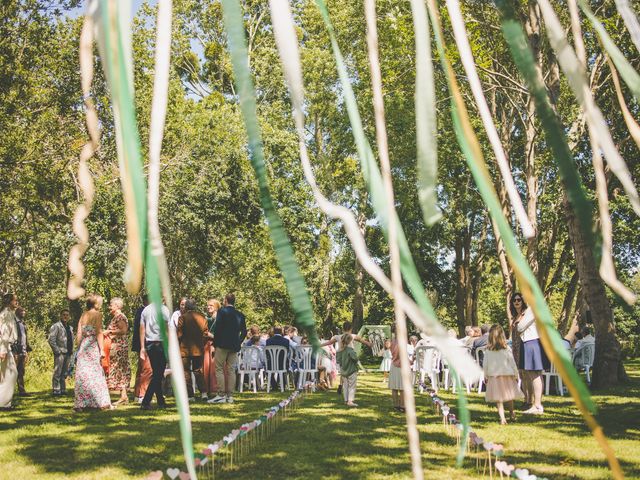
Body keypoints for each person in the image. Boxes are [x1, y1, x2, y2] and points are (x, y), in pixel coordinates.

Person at [74, 295, 113, 411]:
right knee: (96, 373)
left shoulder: (83, 315)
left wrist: (78, 347)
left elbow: (79, 333)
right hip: (92, 345)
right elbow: (99, 332)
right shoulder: (97, 315)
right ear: (95, 304)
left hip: (83, 346)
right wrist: (101, 350)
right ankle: (100, 402)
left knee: (83, 374)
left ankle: (81, 404)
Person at [208, 293, 246, 404]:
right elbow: (244, 331)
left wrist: (215, 343)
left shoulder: (222, 312)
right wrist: (238, 341)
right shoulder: (240, 314)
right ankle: (230, 396)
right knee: (231, 370)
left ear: (225, 300)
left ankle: (221, 394)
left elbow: (218, 329)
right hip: (234, 345)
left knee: (219, 368)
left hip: (222, 344)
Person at [512, 292, 546, 415]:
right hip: (529, 342)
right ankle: (536, 404)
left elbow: (520, 327)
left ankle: (537, 405)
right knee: (534, 374)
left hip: (531, 342)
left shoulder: (532, 309)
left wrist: (519, 321)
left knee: (534, 374)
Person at [484, 324, 523, 424]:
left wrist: (485, 375)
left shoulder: (488, 350)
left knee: (499, 399)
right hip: (507, 375)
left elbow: (485, 364)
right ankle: (512, 413)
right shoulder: (506, 349)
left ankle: (502, 418)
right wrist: (516, 373)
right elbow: (512, 362)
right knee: (509, 397)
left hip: (494, 376)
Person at [139, 300, 171, 410]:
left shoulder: (146, 310)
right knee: (158, 374)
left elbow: (142, 329)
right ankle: (146, 401)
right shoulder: (164, 309)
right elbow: (167, 329)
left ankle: (161, 401)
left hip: (149, 343)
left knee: (157, 372)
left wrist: (142, 347)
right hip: (160, 343)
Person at [177, 298, 209, 400]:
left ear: (186, 307)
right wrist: (201, 344)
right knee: (198, 370)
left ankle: (190, 395)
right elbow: (205, 333)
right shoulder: (202, 317)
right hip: (198, 349)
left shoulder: (183, 318)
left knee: (186, 372)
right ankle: (204, 393)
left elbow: (179, 334)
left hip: (185, 349)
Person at [105, 298, 131, 405]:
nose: (109, 307)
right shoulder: (116, 317)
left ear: (116, 306)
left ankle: (123, 396)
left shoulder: (120, 317)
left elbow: (123, 330)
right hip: (115, 346)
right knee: (119, 370)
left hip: (119, 347)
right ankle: (123, 396)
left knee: (120, 369)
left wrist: (109, 331)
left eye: (111, 305)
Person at [0, 293, 19, 409]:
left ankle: (5, 402)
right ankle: (4, 403)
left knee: (7, 375)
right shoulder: (6, 314)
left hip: (7, 347)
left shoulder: (9, 313)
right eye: (15, 300)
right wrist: (3, 350)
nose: (16, 302)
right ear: (9, 301)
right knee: (10, 374)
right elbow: (4, 333)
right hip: (4, 347)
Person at [49, 308, 73, 396]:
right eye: (64, 315)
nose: (65, 316)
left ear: (69, 317)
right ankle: (56, 389)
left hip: (68, 352)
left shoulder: (69, 327)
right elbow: (51, 340)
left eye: (67, 315)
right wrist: (57, 350)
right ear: (60, 316)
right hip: (60, 352)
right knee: (57, 372)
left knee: (65, 373)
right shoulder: (56, 326)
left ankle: (63, 389)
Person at [132, 295, 152, 403]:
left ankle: (137, 394)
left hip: (141, 344)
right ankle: (142, 394)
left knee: (141, 370)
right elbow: (142, 330)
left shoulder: (140, 311)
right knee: (147, 369)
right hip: (145, 344)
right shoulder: (144, 312)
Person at [203, 298, 221, 395]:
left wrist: (211, 336)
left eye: (211, 305)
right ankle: (207, 389)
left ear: (216, 307)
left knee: (214, 367)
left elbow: (221, 334)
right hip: (206, 345)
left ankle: (215, 389)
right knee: (206, 367)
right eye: (208, 305)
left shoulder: (219, 319)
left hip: (215, 345)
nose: (209, 307)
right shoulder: (207, 318)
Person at [336, 334, 359, 407]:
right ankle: (350, 401)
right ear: (350, 341)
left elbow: (338, 360)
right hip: (351, 370)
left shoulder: (339, 350)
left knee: (345, 386)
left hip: (343, 371)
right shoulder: (350, 350)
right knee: (351, 386)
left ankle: (346, 400)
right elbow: (355, 359)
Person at [13, 307, 31, 396]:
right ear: (17, 312)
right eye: (22, 311)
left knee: (21, 372)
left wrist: (26, 351)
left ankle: (22, 391)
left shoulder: (23, 323)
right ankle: (8, 392)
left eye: (24, 311)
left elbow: (25, 338)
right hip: (15, 351)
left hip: (23, 351)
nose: (24, 312)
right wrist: (14, 351)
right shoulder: (14, 322)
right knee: (12, 372)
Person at [388, 325, 405, 413]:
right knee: (402, 388)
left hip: (394, 365)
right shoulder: (401, 342)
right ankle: (402, 405)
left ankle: (396, 405)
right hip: (400, 366)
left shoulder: (392, 341)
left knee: (395, 387)